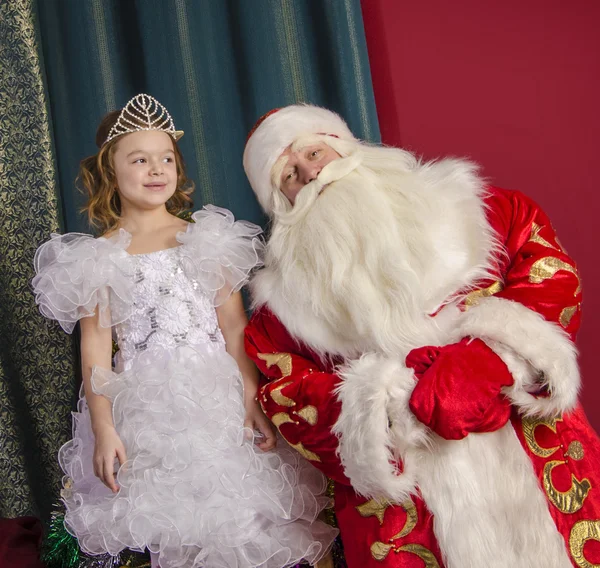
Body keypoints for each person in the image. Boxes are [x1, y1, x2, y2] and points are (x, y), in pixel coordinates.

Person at [242, 104, 600, 568]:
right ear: (282, 204)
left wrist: (488, 362)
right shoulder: (281, 312)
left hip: (535, 450)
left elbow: (553, 277)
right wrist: (395, 403)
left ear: (348, 148)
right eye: (289, 175)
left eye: (315, 152)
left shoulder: (484, 210)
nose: (311, 173)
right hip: (411, 510)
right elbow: (286, 395)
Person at [32, 95, 337, 568]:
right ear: (110, 172)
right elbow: (96, 353)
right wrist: (104, 425)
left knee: (234, 510)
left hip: (217, 395)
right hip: (144, 405)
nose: (156, 170)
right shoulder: (97, 258)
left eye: (166, 159)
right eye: (139, 159)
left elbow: (234, 327)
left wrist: (251, 397)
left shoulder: (206, 238)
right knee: (164, 515)